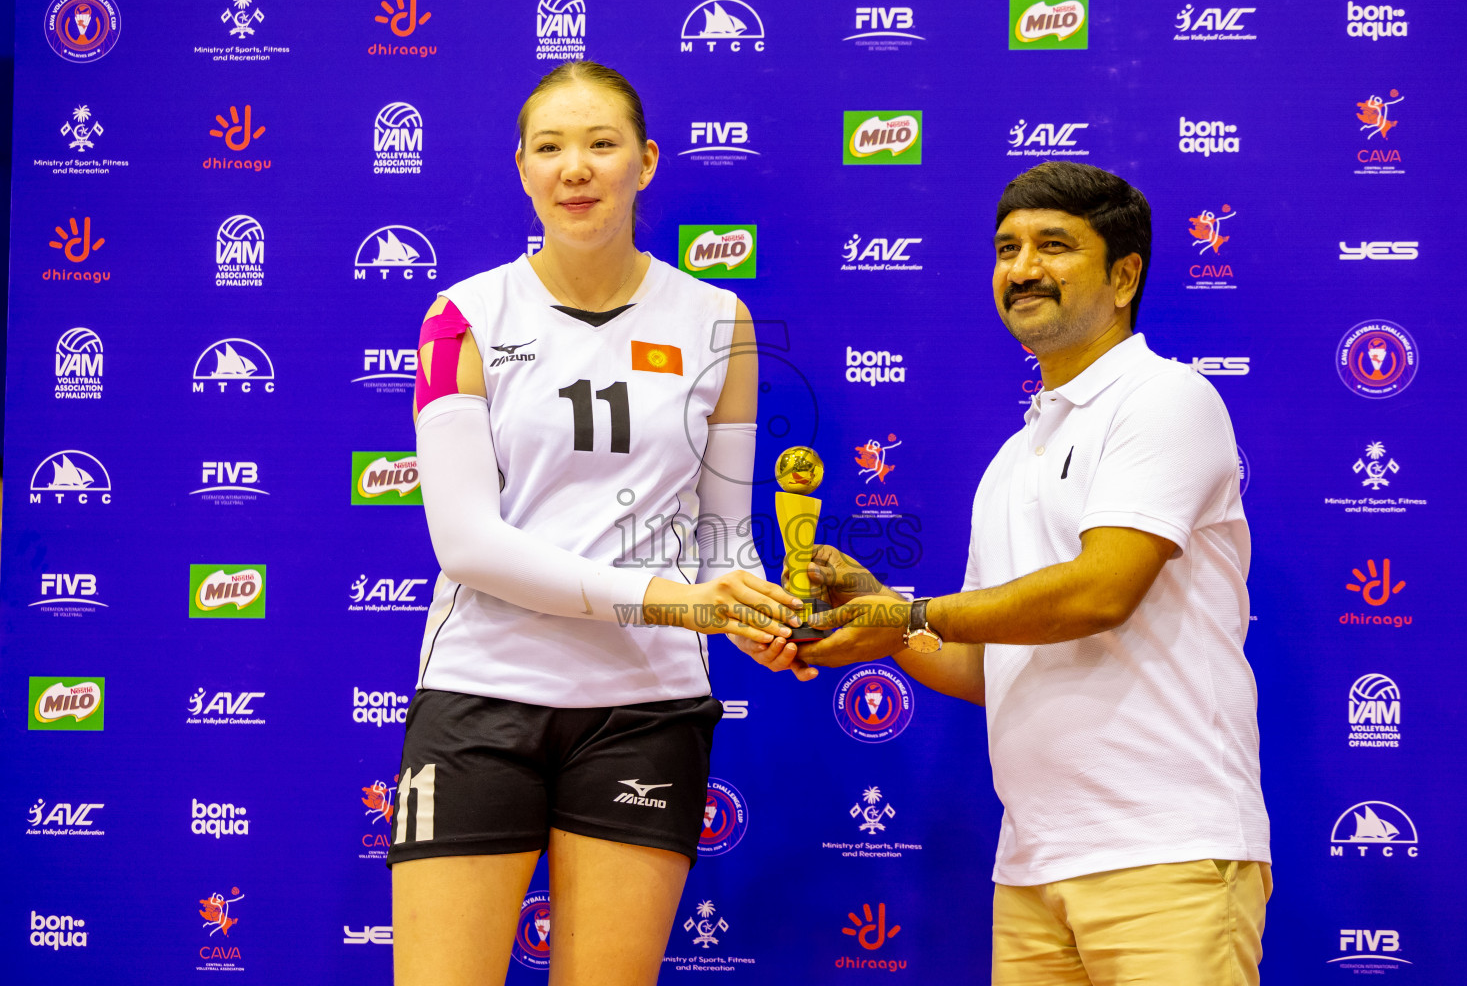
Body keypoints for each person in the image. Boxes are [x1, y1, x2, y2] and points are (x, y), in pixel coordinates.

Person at [764, 162, 1271, 985]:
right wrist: (880, 623)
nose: (1022, 267)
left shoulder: (1166, 398)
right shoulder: (1011, 457)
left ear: (1124, 275)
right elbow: (986, 662)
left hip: (1167, 853)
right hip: (1033, 866)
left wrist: (914, 612)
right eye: (1008, 248)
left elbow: (1101, 590)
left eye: (1054, 246)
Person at [390, 61, 805, 986]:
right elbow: (466, 543)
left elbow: (721, 539)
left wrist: (752, 608)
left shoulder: (719, 321)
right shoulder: (459, 315)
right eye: (551, 147)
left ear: (646, 162)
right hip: (482, 692)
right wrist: (670, 600)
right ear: (524, 169)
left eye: (601, 144)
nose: (576, 167)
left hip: (645, 708)